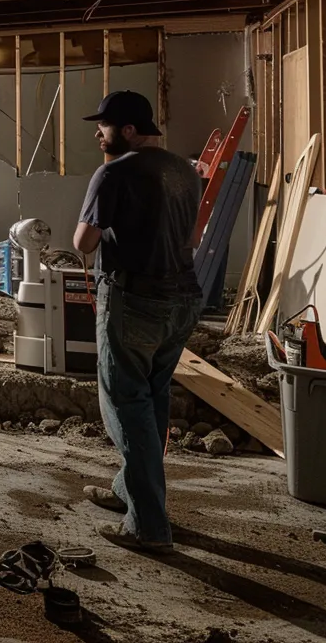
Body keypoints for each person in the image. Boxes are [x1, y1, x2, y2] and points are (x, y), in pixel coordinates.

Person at [72, 90, 205, 554]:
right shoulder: (185, 171)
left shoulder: (113, 172)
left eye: (104, 127)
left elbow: (83, 243)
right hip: (184, 300)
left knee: (126, 407)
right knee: (152, 402)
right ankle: (129, 491)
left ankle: (149, 525)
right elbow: (192, 237)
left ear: (128, 130)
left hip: (135, 301)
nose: (98, 134)